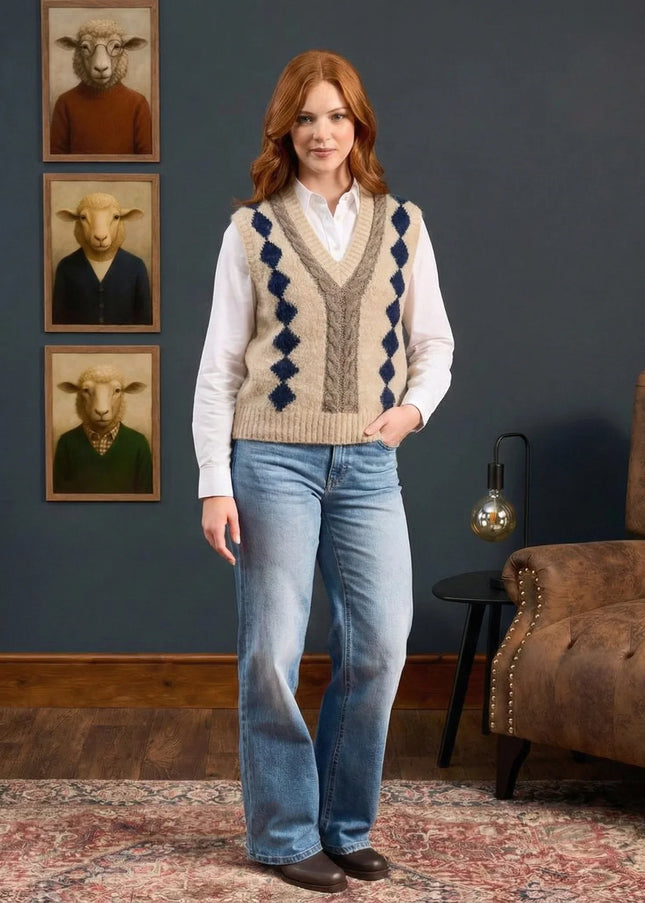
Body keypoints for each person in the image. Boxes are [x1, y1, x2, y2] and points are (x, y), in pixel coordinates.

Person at [193, 49, 454, 894]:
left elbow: (434, 346)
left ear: (359, 126)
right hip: (269, 459)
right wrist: (213, 479)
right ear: (284, 128)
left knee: (379, 645)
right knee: (270, 650)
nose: (321, 132)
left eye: (336, 116)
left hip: (370, 465)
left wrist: (411, 412)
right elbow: (218, 366)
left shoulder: (402, 223)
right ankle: (280, 833)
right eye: (305, 117)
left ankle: (342, 827)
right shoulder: (252, 230)